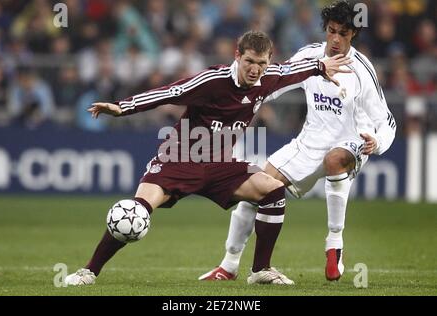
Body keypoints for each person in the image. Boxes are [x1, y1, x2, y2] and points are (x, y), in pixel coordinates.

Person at [64, 30, 351, 286]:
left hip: (219, 165)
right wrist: (122, 107)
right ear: (237, 56)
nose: (255, 70)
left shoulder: (268, 79)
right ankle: (89, 271)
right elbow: (170, 92)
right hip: (179, 158)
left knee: (273, 190)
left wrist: (320, 65)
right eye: (250, 61)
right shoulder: (212, 81)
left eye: (262, 63)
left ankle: (261, 270)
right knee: (135, 213)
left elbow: (294, 70)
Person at [199, 1, 396, 283]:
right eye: (332, 31)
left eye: (343, 33)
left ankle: (334, 245)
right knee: (256, 189)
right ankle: (228, 266)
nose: (336, 39)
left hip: (353, 141)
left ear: (353, 35)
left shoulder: (362, 70)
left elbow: (386, 120)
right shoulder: (309, 57)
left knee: (334, 160)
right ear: (326, 30)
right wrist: (242, 97)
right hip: (308, 142)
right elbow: (276, 83)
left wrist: (376, 141)